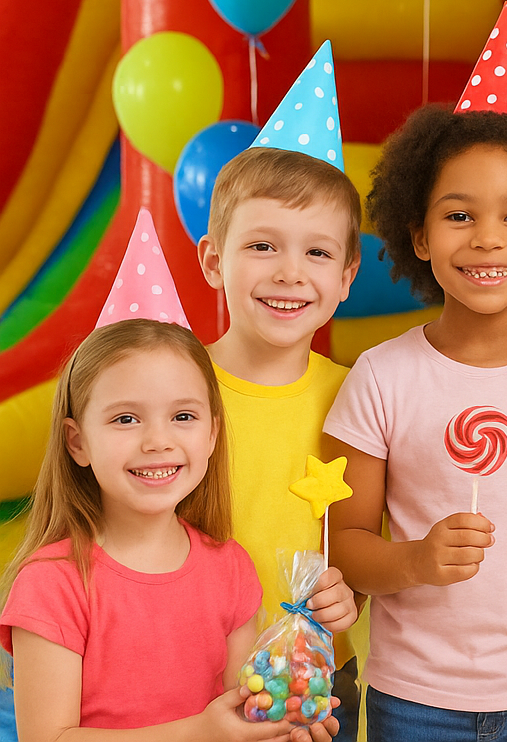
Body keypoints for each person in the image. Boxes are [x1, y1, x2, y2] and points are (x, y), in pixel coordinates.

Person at [323, 4, 507, 742]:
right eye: (459, 216)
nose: (488, 237)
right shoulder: (380, 376)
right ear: (419, 236)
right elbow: (348, 547)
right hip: (413, 700)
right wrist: (418, 561)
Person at [1, 223, 352, 742]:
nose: (157, 442)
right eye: (125, 419)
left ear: (212, 433)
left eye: (183, 417)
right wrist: (201, 732)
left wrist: (281, 723)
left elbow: (240, 711)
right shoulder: (52, 583)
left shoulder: (230, 567)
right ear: (77, 442)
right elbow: (47, 739)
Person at [197, 49, 366, 738]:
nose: (290, 273)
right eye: (263, 246)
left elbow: (371, 544)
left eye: (318, 253)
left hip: (318, 682)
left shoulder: (363, 398)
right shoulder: (174, 391)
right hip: (189, 677)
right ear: (213, 259)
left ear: (349, 275)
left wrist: (352, 594)